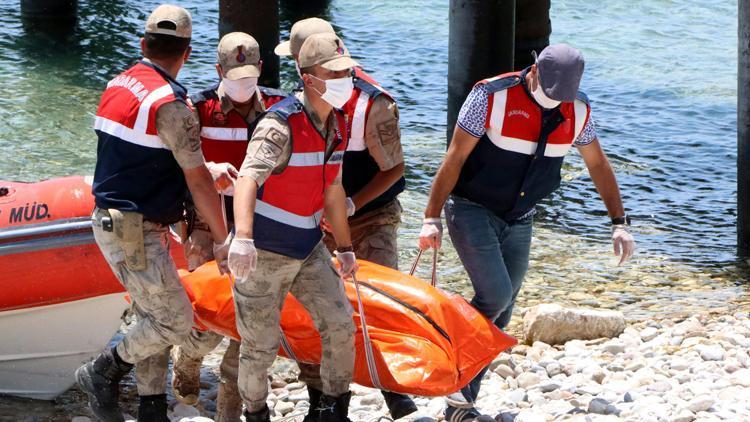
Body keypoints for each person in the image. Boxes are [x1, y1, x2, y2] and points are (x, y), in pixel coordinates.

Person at [418, 44, 636, 420]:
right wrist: (430, 218)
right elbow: (454, 157)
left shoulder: (578, 110)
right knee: (496, 295)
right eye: (549, 93)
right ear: (533, 70)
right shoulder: (489, 96)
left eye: (560, 97)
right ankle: (444, 348)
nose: (554, 102)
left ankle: (460, 400)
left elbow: (598, 165)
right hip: (471, 207)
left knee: (503, 311)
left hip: (521, 215)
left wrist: (619, 223)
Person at [75, 5, 229, 422]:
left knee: (151, 315)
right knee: (174, 321)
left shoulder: (118, 83)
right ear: (189, 52)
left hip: (117, 216)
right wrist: (223, 239)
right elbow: (196, 183)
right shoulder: (171, 104)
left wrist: (203, 171)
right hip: (132, 226)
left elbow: (138, 155)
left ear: (144, 45)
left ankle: (151, 407)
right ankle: (103, 369)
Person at [275, 17, 417, 420]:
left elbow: (395, 170)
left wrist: (351, 205)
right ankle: (321, 398)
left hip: (371, 215)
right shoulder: (299, 102)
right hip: (317, 221)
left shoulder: (373, 104)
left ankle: (392, 391)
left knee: (377, 305)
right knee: (314, 311)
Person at [228, 32, 360, 421]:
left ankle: (332, 410)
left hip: (308, 249)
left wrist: (347, 247)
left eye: (346, 71)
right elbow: (248, 180)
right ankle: (255, 413)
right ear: (308, 78)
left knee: (340, 325)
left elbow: (333, 189)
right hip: (263, 253)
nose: (343, 79)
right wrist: (243, 240)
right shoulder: (279, 125)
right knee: (259, 346)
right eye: (333, 73)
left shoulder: (337, 124)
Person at [168, 31, 287, 422]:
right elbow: (170, 165)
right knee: (207, 313)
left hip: (258, 227)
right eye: (235, 76)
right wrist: (208, 170)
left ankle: (230, 412)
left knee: (248, 324)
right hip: (207, 220)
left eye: (250, 76)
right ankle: (188, 356)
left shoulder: (278, 108)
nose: (244, 85)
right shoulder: (196, 109)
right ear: (219, 70)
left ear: (262, 71)